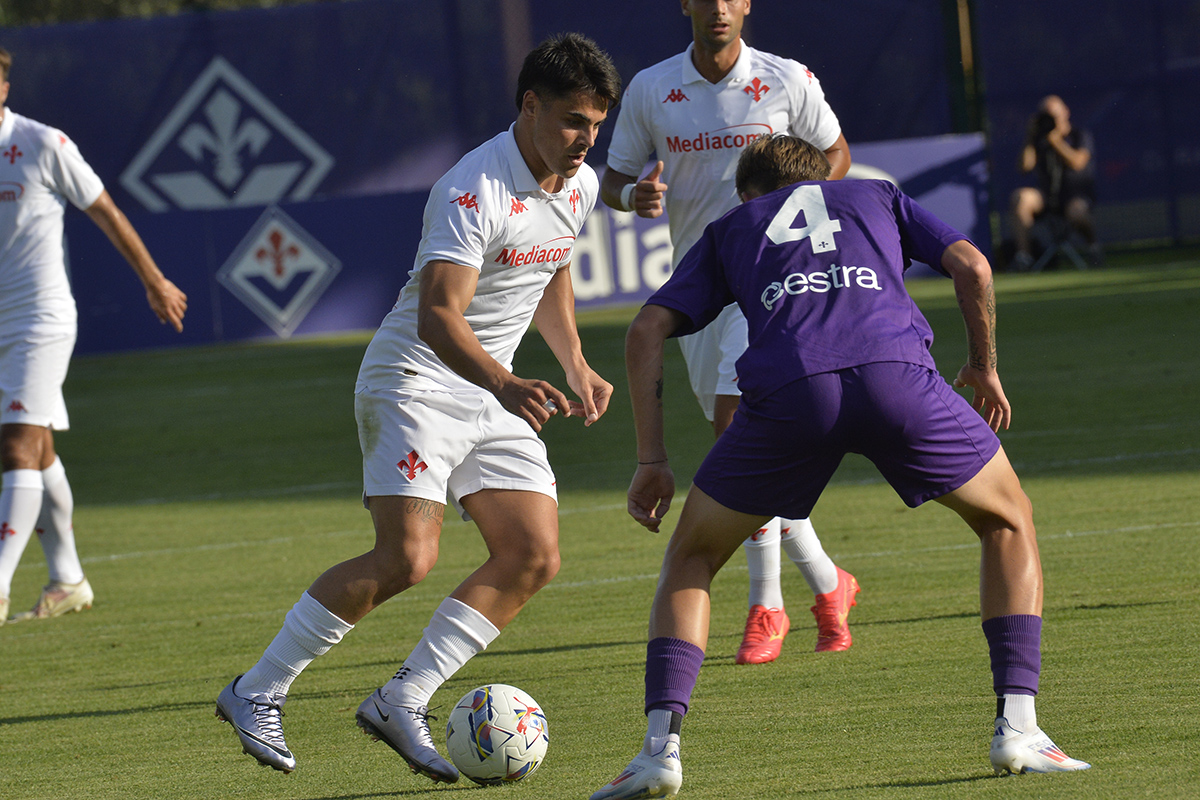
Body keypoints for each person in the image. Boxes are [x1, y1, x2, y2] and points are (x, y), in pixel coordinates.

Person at [590, 134, 1090, 799]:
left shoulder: (733, 224)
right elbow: (972, 266)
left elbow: (645, 329)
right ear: (825, 174)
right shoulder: (875, 194)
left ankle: (658, 752)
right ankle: (1019, 727)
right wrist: (982, 366)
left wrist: (652, 459)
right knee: (1008, 520)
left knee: (692, 558)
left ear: (748, 194)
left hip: (791, 395)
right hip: (898, 380)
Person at [214, 33, 620, 782]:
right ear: (529, 106)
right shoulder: (473, 189)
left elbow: (551, 267)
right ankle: (254, 690)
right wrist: (505, 384)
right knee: (408, 558)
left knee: (533, 553)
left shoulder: (579, 183)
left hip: (492, 387)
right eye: (571, 121)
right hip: (416, 379)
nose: (585, 139)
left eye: (597, 124)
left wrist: (574, 362)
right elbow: (439, 315)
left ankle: (404, 695)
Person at [600, 0, 857, 664]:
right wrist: (634, 198)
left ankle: (764, 605)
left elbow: (835, 152)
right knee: (748, 446)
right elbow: (614, 178)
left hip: (770, 282)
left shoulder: (785, 78)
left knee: (738, 434)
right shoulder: (654, 88)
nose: (717, 8)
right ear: (684, 4)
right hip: (700, 288)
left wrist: (797, 210)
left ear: (746, 5)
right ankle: (831, 584)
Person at [0, 47, 188, 626]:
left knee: (14, 446)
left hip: (42, 318)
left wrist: (154, 280)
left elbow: (104, 209)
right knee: (38, 450)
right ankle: (68, 579)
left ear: (4, 86)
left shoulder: (42, 143)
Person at [1009, 94, 1099, 270]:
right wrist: (1031, 137)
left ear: (1065, 112)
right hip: (1047, 196)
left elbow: (1077, 163)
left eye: (1054, 114)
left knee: (1077, 211)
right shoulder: (1038, 140)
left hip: (1074, 196)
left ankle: (1093, 247)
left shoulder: (1079, 135)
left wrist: (1057, 141)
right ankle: (1024, 257)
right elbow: (1025, 167)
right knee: (1020, 197)